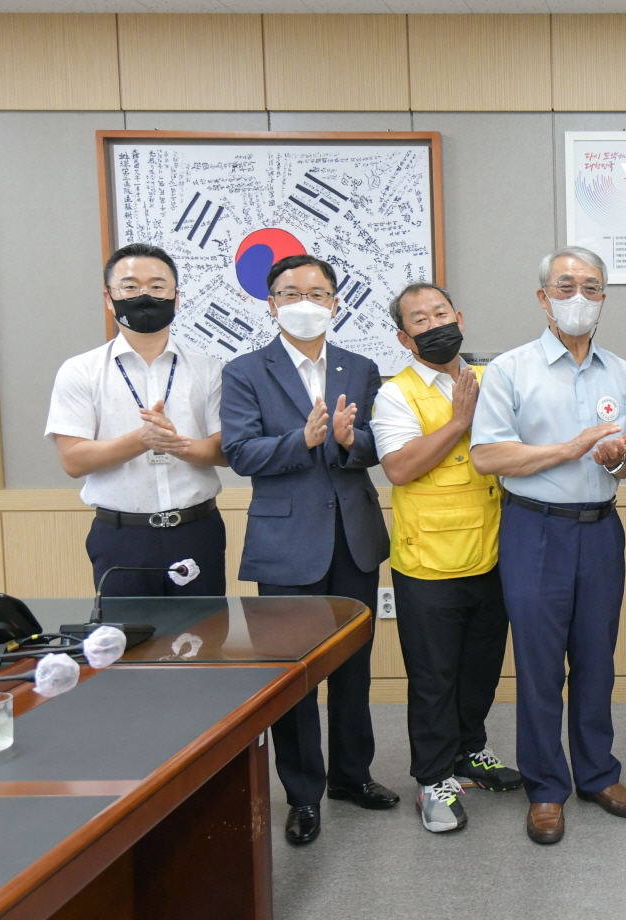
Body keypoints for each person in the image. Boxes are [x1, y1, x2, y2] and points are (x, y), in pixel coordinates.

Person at [470, 246, 626, 845]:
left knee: (597, 659)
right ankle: (546, 787)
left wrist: (617, 458)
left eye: (591, 288)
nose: (578, 298)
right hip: (535, 530)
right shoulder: (509, 370)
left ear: (603, 299)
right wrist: (569, 449)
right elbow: (488, 455)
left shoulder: (623, 373)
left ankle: (598, 774)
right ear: (543, 297)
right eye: (565, 286)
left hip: (601, 529)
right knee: (540, 664)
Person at [220, 253, 397, 846]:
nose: (306, 303)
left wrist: (348, 441)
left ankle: (352, 776)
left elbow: (377, 445)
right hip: (286, 542)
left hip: (353, 537)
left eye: (317, 293)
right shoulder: (245, 371)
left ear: (335, 303)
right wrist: (302, 440)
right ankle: (302, 794)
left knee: (352, 667)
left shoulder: (360, 367)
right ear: (271, 304)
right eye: (292, 293)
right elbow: (240, 453)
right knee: (294, 673)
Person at [371, 282, 521, 834]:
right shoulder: (396, 394)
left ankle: (469, 752)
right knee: (434, 677)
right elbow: (398, 468)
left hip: (494, 553)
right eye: (420, 319)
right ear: (404, 338)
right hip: (428, 563)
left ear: (458, 317)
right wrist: (458, 422)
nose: (434, 324)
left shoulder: (489, 380)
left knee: (481, 668)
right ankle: (433, 777)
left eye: (441, 313)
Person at [46, 243, 229, 598]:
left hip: (196, 530)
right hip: (121, 536)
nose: (144, 296)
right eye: (130, 287)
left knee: (204, 630)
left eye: (158, 287)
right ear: (109, 298)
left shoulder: (209, 370)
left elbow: (225, 452)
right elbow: (72, 460)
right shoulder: (80, 371)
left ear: (176, 297)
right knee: (126, 632)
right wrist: (140, 440)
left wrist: (177, 445)